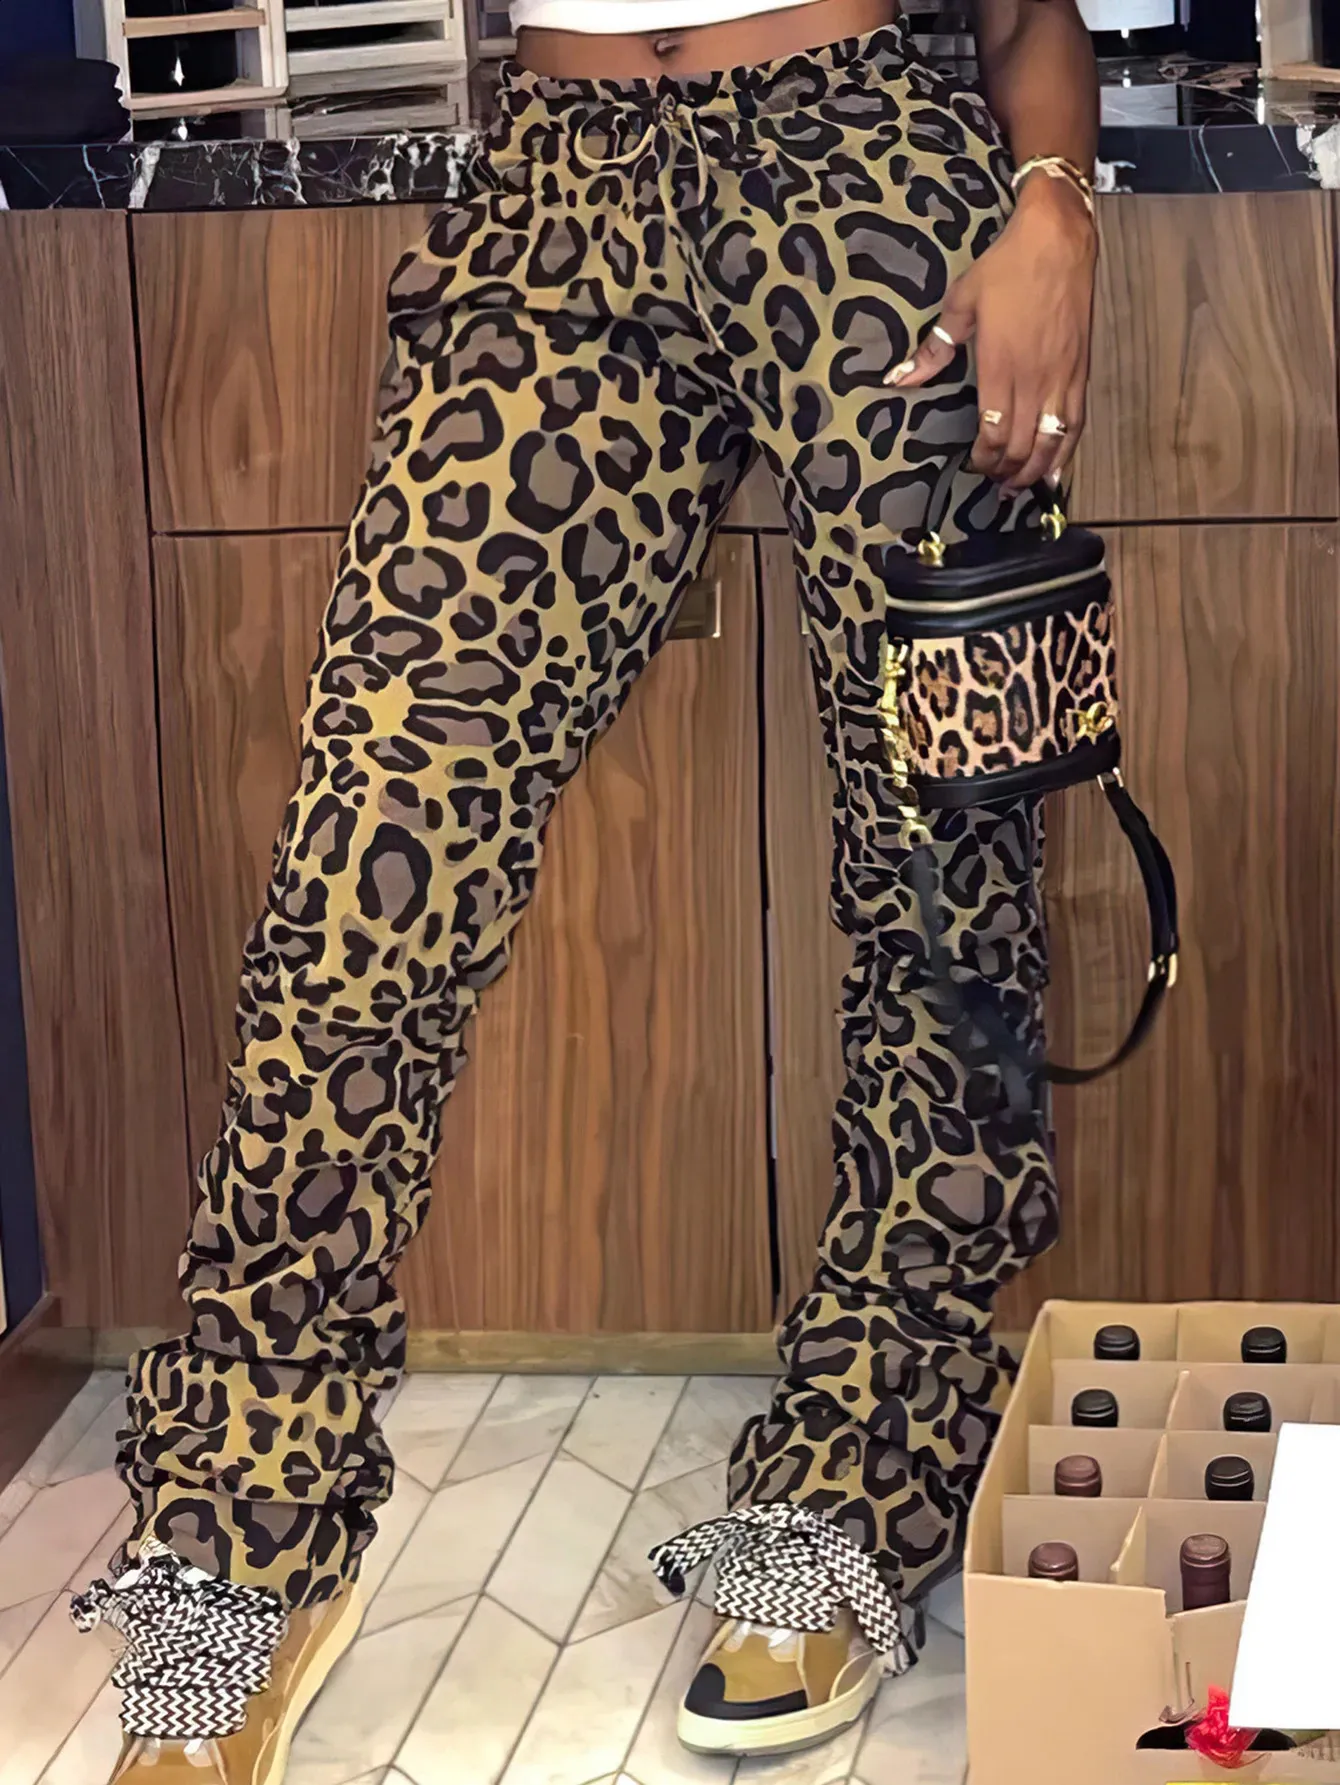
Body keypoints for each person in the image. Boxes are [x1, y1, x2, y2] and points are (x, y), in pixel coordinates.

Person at [72, 0, 1099, 1775]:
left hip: (864, 182)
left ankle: (858, 1479)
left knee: (939, 879)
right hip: (554, 196)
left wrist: (1057, 201)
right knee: (367, 870)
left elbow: (1025, 16)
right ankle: (238, 1530)